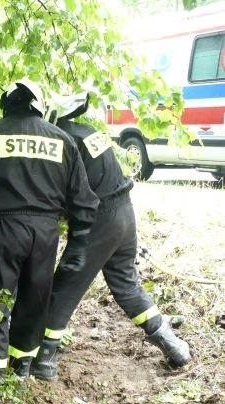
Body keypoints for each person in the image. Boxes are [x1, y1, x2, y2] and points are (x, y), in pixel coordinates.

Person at [0, 79, 99, 404]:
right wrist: (79, 244)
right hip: (45, 233)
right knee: (34, 299)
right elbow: (84, 201)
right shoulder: (62, 140)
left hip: (3, 228)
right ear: (38, 106)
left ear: (8, 104)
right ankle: (23, 370)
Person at [29, 92, 190, 382]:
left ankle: (44, 361)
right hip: (125, 214)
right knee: (127, 285)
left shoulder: (63, 140)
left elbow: (63, 190)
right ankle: (173, 346)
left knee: (65, 285)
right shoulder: (89, 133)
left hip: (99, 220)